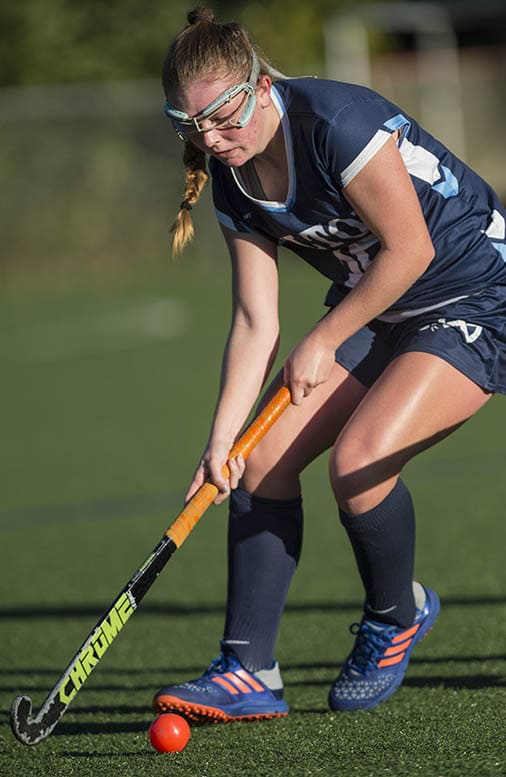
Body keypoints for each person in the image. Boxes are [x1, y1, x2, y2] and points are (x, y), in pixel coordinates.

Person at [153, 6, 506, 722]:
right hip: (378, 305)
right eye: (191, 127)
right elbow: (255, 320)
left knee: (359, 462)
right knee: (258, 462)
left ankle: (395, 615)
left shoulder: (335, 122)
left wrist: (323, 339)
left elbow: (412, 251)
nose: (211, 140)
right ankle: (248, 668)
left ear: (258, 85)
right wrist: (220, 441)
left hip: (476, 292)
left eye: (221, 118)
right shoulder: (232, 177)